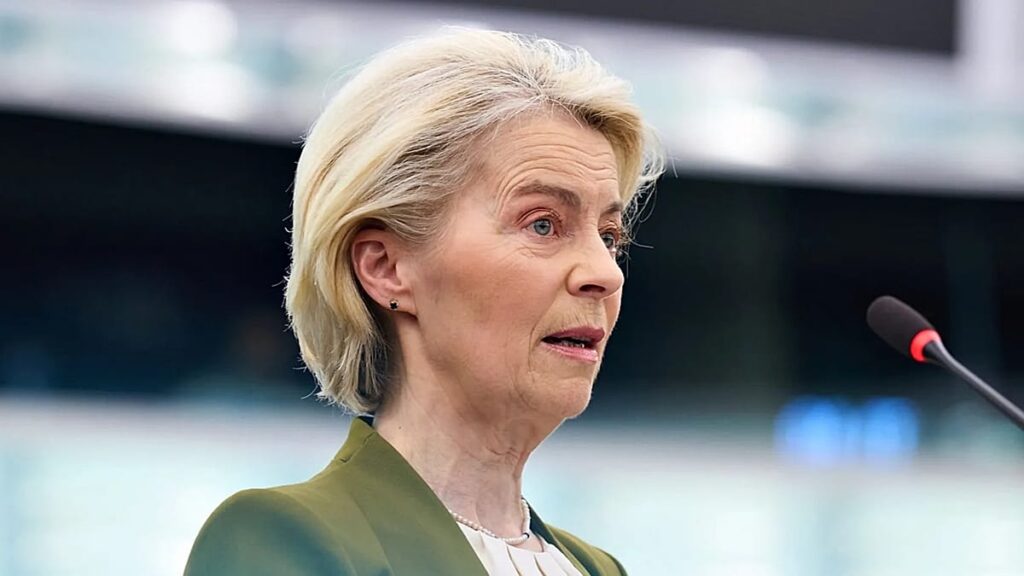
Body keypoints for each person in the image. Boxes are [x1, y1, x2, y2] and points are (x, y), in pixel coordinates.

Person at [184, 28, 662, 576]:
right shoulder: (282, 538)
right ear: (386, 269)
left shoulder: (598, 568)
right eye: (542, 224)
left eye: (609, 236)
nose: (605, 273)